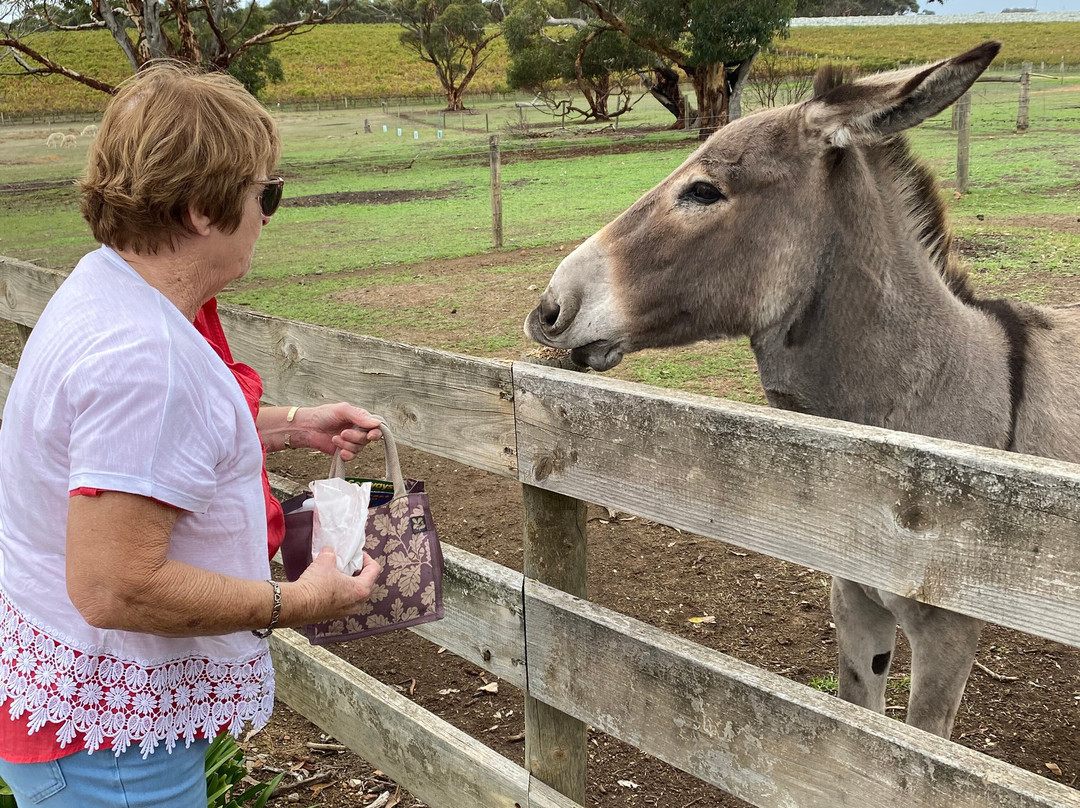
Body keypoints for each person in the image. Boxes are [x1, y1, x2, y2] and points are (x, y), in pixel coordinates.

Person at [0, 62, 382, 805]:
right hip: (110, 756)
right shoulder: (149, 359)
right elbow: (116, 585)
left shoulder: (105, 290)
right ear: (204, 211)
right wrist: (296, 603)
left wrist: (292, 424)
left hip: (81, 727)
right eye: (264, 194)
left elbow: (139, 447)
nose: (268, 215)